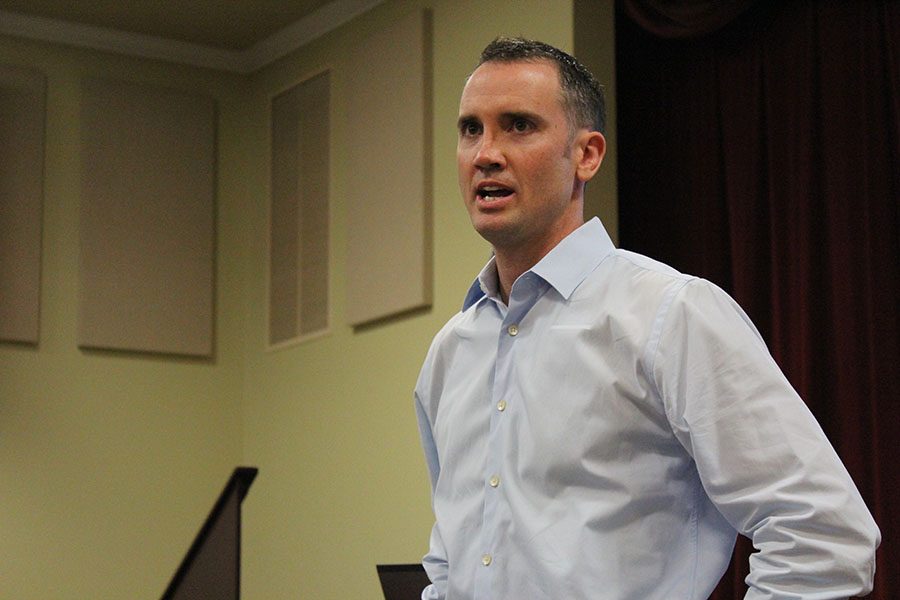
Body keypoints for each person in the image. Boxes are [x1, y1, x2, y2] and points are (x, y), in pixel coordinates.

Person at [414, 36, 880, 600]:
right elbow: (450, 562)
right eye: (471, 129)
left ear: (586, 155)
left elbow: (824, 537)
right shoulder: (449, 353)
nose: (486, 152)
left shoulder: (670, 314)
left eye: (518, 125)